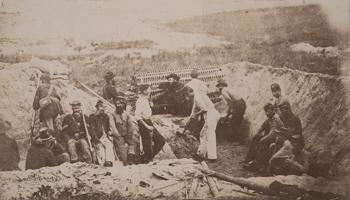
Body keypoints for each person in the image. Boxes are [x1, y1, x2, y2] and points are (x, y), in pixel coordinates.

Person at [243, 103, 284, 172]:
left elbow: (273, 133)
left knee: (262, 142)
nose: (267, 113)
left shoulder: (276, 119)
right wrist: (257, 134)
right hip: (271, 137)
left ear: (273, 110)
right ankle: (249, 159)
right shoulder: (270, 118)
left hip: (278, 138)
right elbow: (263, 126)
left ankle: (257, 164)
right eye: (266, 111)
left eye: (268, 111)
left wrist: (263, 138)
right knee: (255, 139)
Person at [268, 101, 305, 175]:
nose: (283, 111)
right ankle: (272, 171)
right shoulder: (282, 118)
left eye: (285, 109)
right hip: (286, 142)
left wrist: (287, 134)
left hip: (295, 143)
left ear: (289, 109)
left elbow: (298, 135)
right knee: (274, 145)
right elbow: (279, 131)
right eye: (281, 109)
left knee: (274, 159)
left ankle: (271, 173)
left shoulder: (295, 119)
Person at [184, 86, 220, 162]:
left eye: (187, 95)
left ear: (190, 92)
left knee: (209, 135)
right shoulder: (198, 96)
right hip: (211, 115)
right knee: (203, 134)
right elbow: (193, 113)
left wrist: (196, 114)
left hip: (211, 115)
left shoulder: (197, 97)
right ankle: (201, 154)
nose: (187, 97)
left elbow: (204, 109)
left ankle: (212, 157)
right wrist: (188, 122)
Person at [135, 84, 165, 163]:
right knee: (147, 146)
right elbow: (138, 117)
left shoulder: (145, 99)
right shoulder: (140, 101)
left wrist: (152, 122)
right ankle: (145, 161)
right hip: (143, 124)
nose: (150, 90)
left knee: (161, 140)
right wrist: (147, 126)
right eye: (149, 89)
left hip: (148, 121)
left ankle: (146, 159)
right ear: (144, 91)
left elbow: (147, 113)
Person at [109, 97, 138, 165]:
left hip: (126, 135)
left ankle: (131, 160)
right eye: (117, 104)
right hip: (118, 136)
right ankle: (125, 162)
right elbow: (113, 127)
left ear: (123, 105)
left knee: (134, 142)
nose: (119, 105)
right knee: (122, 151)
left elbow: (130, 125)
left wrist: (129, 134)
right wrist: (119, 136)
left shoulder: (126, 114)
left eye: (120, 103)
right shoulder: (112, 115)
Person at [89, 100, 116, 167]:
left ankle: (109, 161)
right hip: (97, 137)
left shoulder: (105, 116)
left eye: (103, 107)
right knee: (100, 148)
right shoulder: (92, 117)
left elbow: (108, 128)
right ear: (97, 108)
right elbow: (92, 131)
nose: (102, 108)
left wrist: (110, 134)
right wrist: (96, 140)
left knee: (109, 145)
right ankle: (102, 162)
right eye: (100, 107)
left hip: (105, 137)